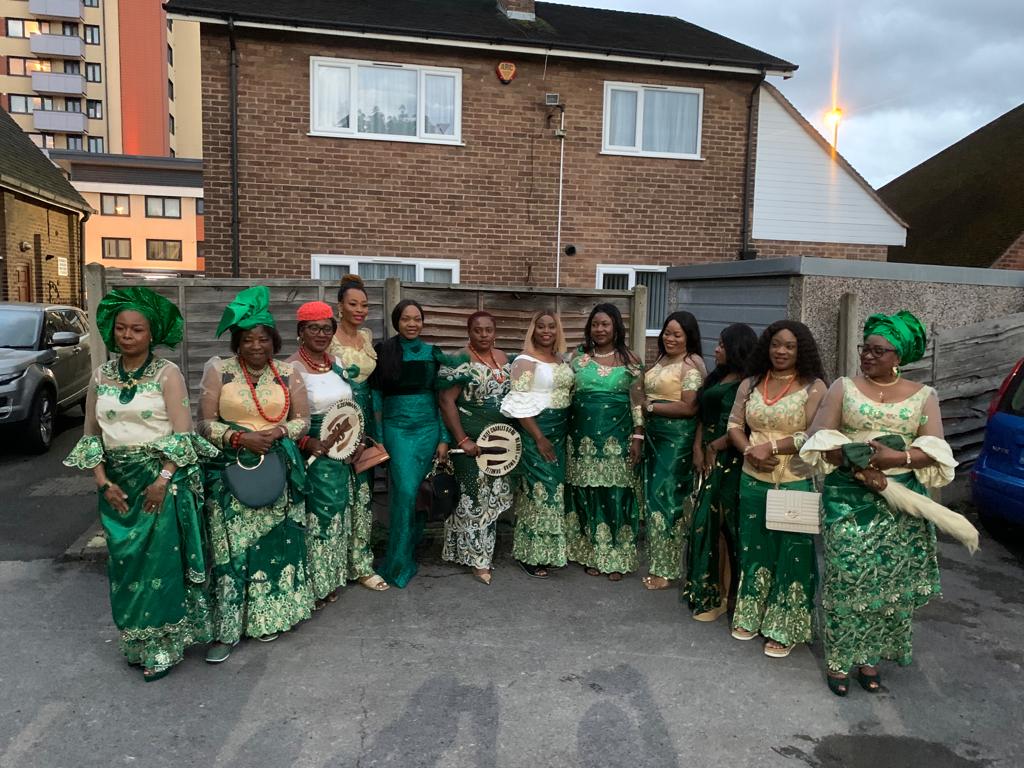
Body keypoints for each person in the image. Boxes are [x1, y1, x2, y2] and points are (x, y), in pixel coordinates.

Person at [64, 287, 216, 681]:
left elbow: (182, 435)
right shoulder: (101, 375)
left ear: (152, 334)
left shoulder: (168, 374)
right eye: (121, 328)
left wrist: (163, 479)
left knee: (159, 565)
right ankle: (136, 641)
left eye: (137, 329)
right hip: (117, 485)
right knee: (126, 566)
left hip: (158, 482)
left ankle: (164, 646)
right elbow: (91, 436)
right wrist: (102, 482)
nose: (127, 335)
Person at [803, 312, 951, 696]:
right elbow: (818, 437)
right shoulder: (843, 387)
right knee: (846, 576)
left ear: (898, 356)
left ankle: (870, 659)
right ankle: (839, 660)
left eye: (878, 351)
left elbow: (935, 450)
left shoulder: (924, 395)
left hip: (899, 503)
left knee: (887, 582)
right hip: (847, 498)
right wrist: (854, 460)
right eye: (865, 348)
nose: (868, 356)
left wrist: (896, 458)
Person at [199, 286, 313, 663]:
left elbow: (302, 420)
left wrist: (278, 432)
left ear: (273, 340)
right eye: (247, 339)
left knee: (274, 546)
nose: (256, 346)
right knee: (231, 551)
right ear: (237, 341)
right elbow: (204, 424)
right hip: (231, 470)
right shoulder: (219, 371)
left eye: (263, 338)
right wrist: (239, 437)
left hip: (277, 468)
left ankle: (269, 617)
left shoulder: (289, 373)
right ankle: (227, 629)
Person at [726, 320, 827, 658]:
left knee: (792, 554)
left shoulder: (814, 387)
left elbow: (814, 435)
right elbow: (734, 425)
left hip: (794, 480)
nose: (781, 351)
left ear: (801, 351)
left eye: (790, 346)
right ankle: (751, 614)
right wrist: (748, 451)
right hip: (752, 478)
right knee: (754, 548)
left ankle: (786, 626)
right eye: (775, 344)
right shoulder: (751, 383)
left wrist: (771, 448)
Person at [369, 299, 450, 588]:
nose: (412, 324)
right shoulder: (384, 351)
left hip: (428, 429)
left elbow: (442, 399)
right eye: (406, 319)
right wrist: (379, 438)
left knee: (420, 494)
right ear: (396, 322)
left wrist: (444, 437)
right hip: (397, 431)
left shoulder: (433, 353)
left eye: (417, 319)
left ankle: (409, 550)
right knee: (404, 493)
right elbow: (376, 397)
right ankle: (398, 563)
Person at [682, 323, 758, 621]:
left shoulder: (750, 384)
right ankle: (711, 593)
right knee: (707, 525)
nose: (716, 350)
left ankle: (733, 595)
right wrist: (698, 447)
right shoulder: (717, 376)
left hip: (733, 458)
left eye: (723, 346)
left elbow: (745, 425)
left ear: (738, 348)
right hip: (707, 455)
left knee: (730, 527)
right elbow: (704, 415)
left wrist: (717, 446)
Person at [566, 303, 645, 581]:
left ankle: (617, 557)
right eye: (595, 324)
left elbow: (638, 401)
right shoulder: (577, 358)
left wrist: (638, 437)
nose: (600, 329)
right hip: (581, 439)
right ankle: (592, 554)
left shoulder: (631, 360)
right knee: (586, 494)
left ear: (616, 327)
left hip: (618, 439)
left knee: (616, 495)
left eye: (605, 324)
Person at [438, 311, 514, 584]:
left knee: (492, 497)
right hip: (471, 441)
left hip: (500, 440)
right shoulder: (458, 360)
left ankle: (478, 552)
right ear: (469, 332)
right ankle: (478, 560)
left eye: (488, 330)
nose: (483, 335)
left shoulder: (506, 358)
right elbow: (446, 401)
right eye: (477, 330)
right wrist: (461, 440)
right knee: (473, 497)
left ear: (495, 332)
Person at [288, 301, 355, 608]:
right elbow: (285, 417)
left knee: (339, 512)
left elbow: (350, 405)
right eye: (313, 328)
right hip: (315, 452)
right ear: (300, 332)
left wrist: (357, 439)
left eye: (327, 328)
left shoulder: (337, 362)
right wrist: (306, 442)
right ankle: (316, 584)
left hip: (344, 448)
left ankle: (333, 575)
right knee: (319, 515)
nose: (321, 334)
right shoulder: (291, 368)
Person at [500, 311, 575, 579]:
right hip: (538, 432)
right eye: (540, 326)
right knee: (540, 491)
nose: (546, 331)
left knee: (555, 493)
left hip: (562, 431)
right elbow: (519, 405)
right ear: (532, 330)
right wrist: (539, 438)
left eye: (551, 327)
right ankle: (530, 555)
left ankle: (550, 553)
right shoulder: (524, 361)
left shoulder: (562, 360)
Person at [328, 275, 388, 592]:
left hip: (367, 415)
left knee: (363, 490)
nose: (360, 310)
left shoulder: (366, 336)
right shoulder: (327, 337)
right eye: (353, 304)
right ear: (340, 305)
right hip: (337, 416)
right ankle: (334, 565)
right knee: (336, 492)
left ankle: (361, 563)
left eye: (365, 305)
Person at [640, 311, 706, 590]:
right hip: (654, 436)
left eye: (677, 334)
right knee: (652, 498)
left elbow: (690, 407)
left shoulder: (691, 364)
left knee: (666, 499)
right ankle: (659, 563)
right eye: (667, 332)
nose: (671, 338)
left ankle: (666, 571)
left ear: (689, 337)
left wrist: (650, 406)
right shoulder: (662, 359)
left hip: (676, 439)